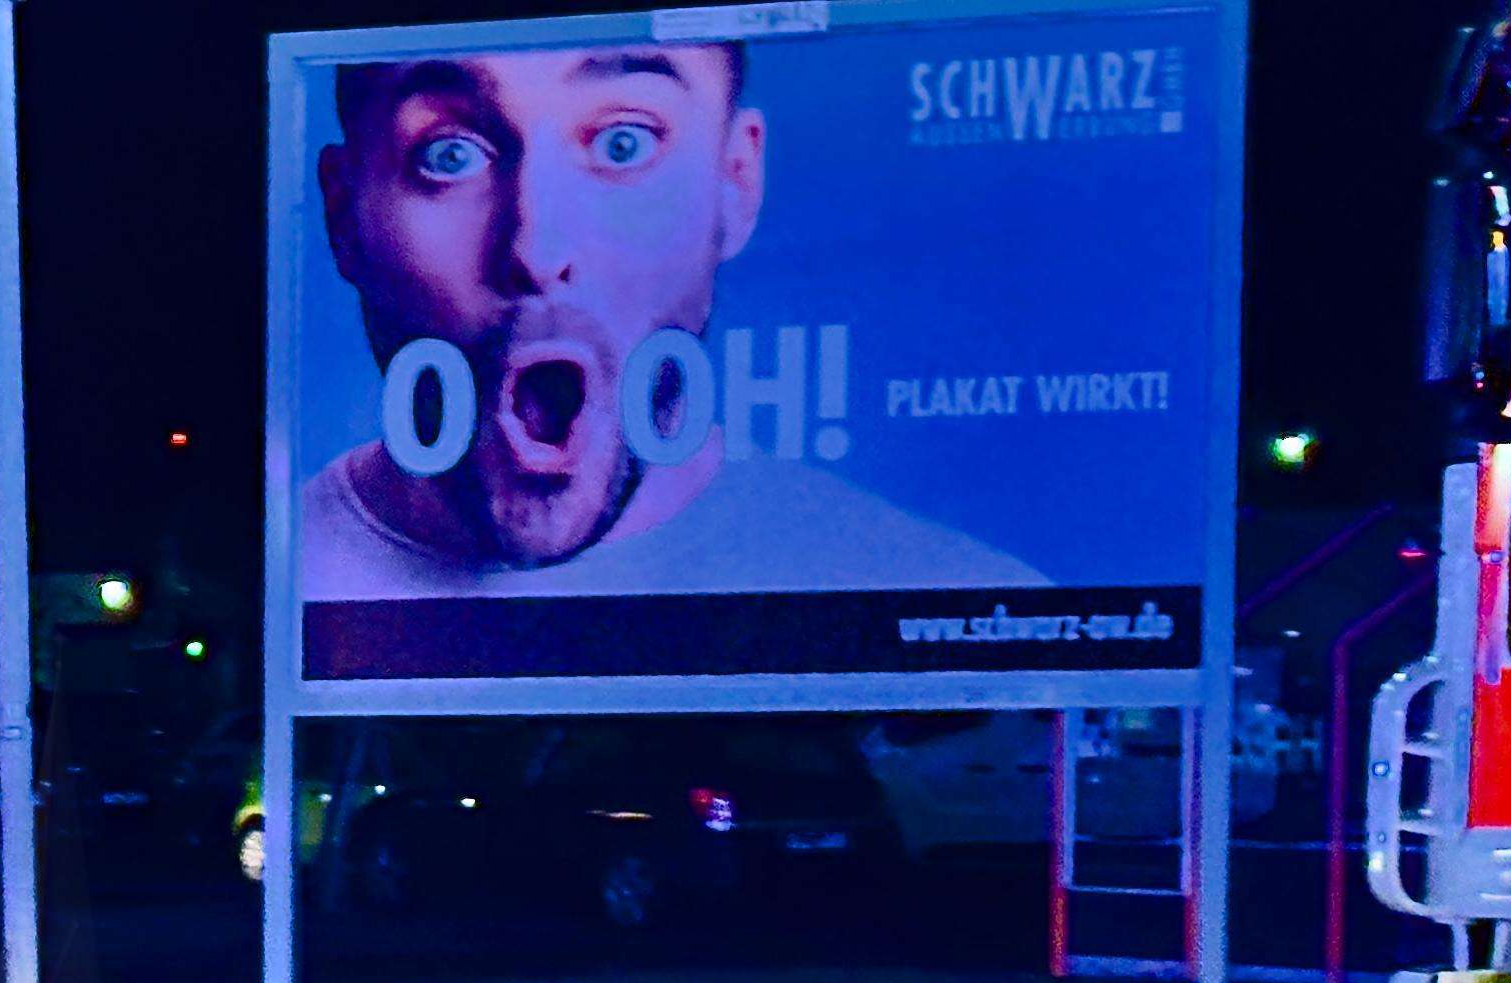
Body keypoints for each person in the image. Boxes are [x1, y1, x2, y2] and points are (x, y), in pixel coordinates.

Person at [302, 39, 1037, 598]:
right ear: (343, 213)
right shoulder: (275, 588)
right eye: (449, 153)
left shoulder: (957, 593)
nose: (536, 249)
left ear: (736, 182)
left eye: (626, 143)